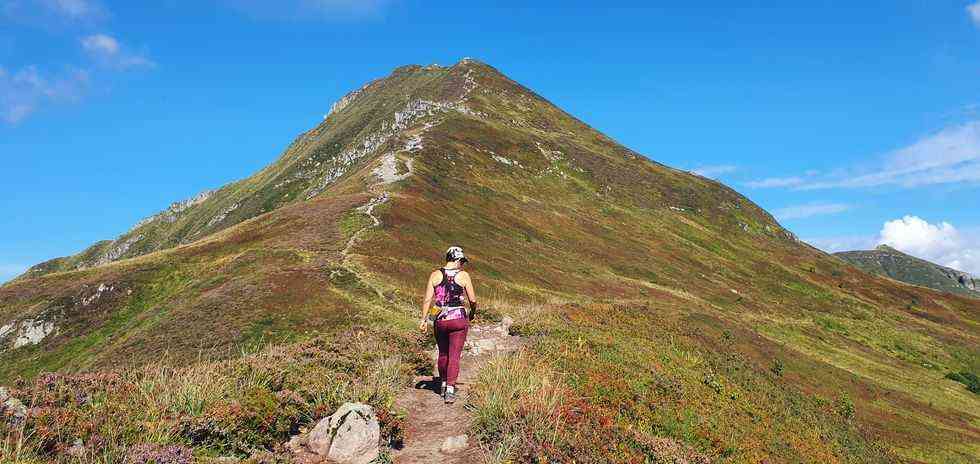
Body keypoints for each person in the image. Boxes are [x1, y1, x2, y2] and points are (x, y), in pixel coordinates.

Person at [419, 246, 477, 404]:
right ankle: (450, 390)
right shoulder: (463, 275)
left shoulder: (435, 275)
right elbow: (472, 300)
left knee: (443, 353)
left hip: (440, 319)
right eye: (462, 261)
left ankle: (443, 383)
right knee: (454, 355)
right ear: (457, 260)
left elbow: (427, 299)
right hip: (458, 319)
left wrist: (423, 320)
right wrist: (472, 312)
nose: (462, 265)